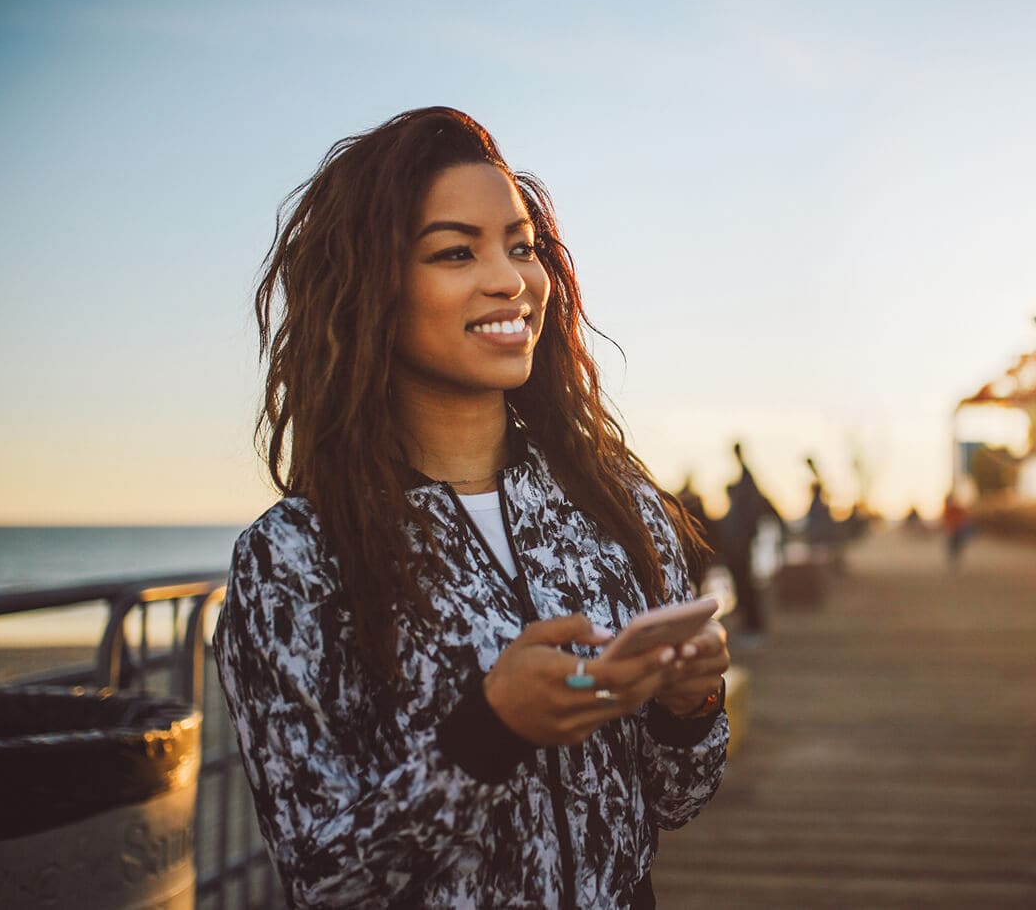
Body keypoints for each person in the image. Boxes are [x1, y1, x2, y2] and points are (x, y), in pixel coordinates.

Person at [212, 107, 729, 909]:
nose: (510, 279)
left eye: (522, 246)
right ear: (369, 286)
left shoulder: (611, 502)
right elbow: (324, 878)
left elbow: (677, 800)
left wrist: (688, 706)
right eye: (458, 251)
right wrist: (491, 731)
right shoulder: (294, 559)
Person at [721, 441, 779, 637]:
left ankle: (754, 628)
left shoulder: (747, 487)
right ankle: (749, 626)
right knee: (742, 587)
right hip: (737, 547)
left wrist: (741, 457)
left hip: (742, 547)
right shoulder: (738, 501)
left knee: (747, 587)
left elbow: (749, 483)